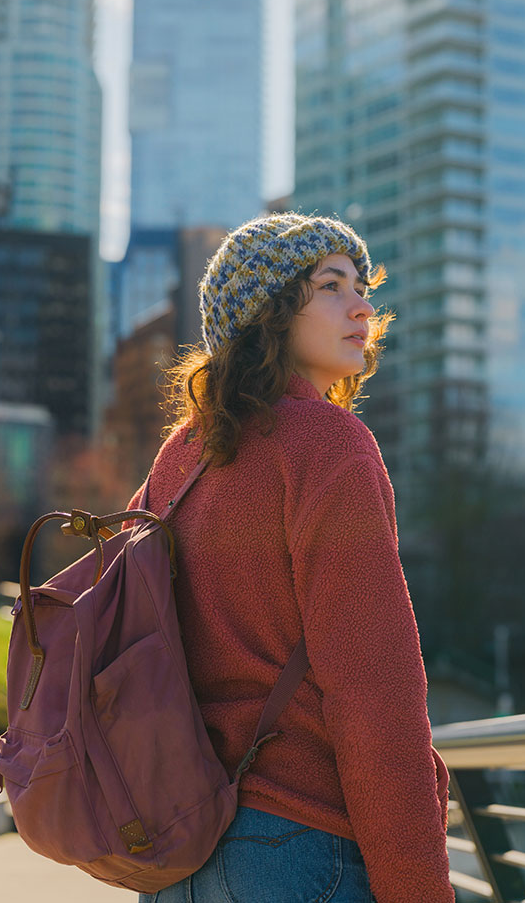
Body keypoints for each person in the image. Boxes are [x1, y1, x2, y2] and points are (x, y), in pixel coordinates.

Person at [130, 213, 453, 903]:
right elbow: (375, 692)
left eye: (362, 285)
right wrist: (418, 889)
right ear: (268, 314)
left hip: (182, 853)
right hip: (300, 852)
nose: (363, 304)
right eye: (331, 286)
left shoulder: (179, 458)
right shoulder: (331, 446)